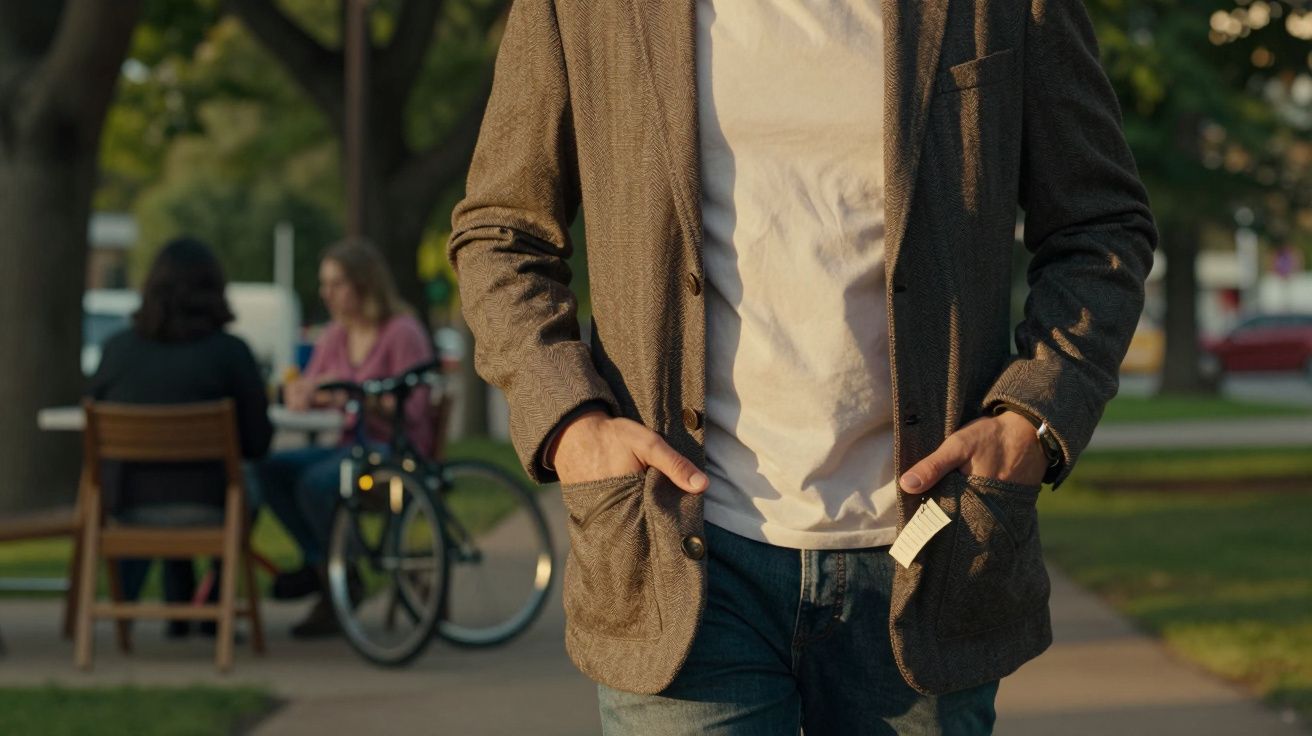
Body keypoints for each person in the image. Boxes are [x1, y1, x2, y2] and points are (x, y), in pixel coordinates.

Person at [448, 0, 1158, 733]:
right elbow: (500, 232)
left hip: (933, 551)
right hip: (680, 554)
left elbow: (1100, 227)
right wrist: (571, 421)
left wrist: (1032, 419)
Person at [87, 236, 274, 638]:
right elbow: (258, 443)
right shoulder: (231, 353)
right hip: (212, 508)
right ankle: (211, 601)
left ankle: (179, 602)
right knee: (245, 483)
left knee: (165, 475)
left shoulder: (117, 351)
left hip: (128, 506)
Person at [257, 238, 434, 639]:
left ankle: (337, 577)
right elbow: (315, 386)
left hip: (394, 451)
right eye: (324, 284)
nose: (327, 293)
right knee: (269, 470)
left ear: (364, 284)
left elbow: (415, 408)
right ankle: (328, 568)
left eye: (337, 283)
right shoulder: (336, 335)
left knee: (317, 483)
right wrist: (302, 392)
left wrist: (362, 399)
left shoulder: (401, 331)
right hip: (349, 447)